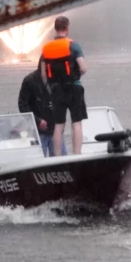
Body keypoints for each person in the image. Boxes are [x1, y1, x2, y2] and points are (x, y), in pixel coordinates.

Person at [40, 15, 87, 156]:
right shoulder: (73, 45)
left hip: (56, 90)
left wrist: (51, 87)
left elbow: (43, 74)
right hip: (73, 87)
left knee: (58, 125)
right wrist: (75, 76)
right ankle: (77, 154)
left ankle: (58, 156)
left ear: (55, 28)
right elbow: (83, 68)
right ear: (67, 28)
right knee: (76, 123)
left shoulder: (46, 48)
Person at [17, 63, 65, 157]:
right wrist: (37, 121)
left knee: (60, 162)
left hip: (56, 129)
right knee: (37, 160)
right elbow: (23, 105)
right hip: (37, 131)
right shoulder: (29, 81)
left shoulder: (58, 79)